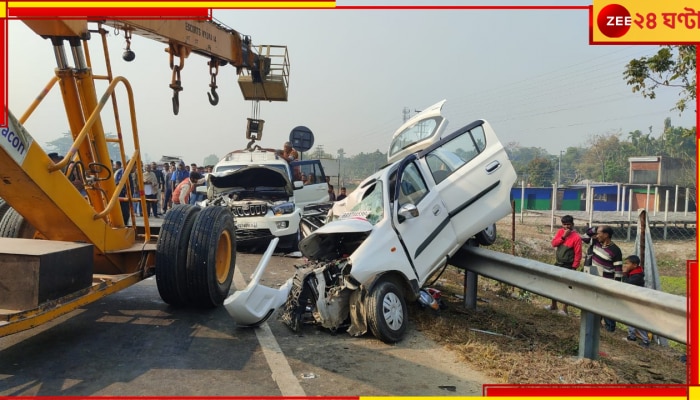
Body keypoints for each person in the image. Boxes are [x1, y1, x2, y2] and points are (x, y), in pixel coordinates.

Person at [544, 215, 582, 316]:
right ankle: (553, 305)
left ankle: (565, 309)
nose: (566, 227)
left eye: (568, 225)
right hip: (558, 263)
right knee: (554, 283)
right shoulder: (560, 232)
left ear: (572, 225)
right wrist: (563, 237)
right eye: (564, 225)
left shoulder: (576, 237)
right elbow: (554, 243)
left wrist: (574, 267)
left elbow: (578, 253)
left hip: (568, 265)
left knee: (567, 286)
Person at [591, 225, 623, 332]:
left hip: (607, 282)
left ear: (606, 235)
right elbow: (585, 237)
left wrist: (616, 285)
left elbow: (618, 269)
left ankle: (610, 329)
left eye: (599, 233)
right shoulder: (596, 243)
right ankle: (597, 323)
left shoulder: (615, 250)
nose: (597, 235)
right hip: (594, 280)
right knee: (595, 303)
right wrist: (594, 229)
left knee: (607, 306)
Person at [621, 255, 651, 347]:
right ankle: (631, 336)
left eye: (627, 263)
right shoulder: (634, 272)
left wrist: (624, 273)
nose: (625, 265)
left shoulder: (637, 275)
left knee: (637, 320)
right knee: (631, 318)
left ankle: (645, 341)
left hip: (637, 301)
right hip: (632, 299)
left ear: (634, 265)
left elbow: (627, 284)